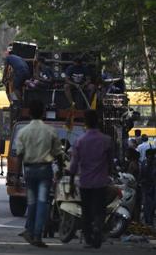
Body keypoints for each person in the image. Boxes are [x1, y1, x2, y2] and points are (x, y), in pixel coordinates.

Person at [15, 99, 62, 248]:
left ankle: (30, 230)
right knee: (42, 202)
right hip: (44, 170)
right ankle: (37, 235)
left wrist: (17, 176)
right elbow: (58, 153)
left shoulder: (23, 132)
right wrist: (59, 170)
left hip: (29, 170)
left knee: (32, 202)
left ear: (29, 113)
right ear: (43, 113)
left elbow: (19, 156)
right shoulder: (50, 131)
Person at [69, 110, 114, 249]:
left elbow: (74, 164)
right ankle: (98, 229)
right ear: (98, 122)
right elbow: (110, 161)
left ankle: (89, 238)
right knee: (100, 210)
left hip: (85, 182)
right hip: (101, 182)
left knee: (86, 211)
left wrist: (71, 180)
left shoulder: (80, 141)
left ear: (85, 123)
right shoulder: (106, 140)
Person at [140, 148, 156, 227]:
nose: (149, 157)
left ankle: (150, 221)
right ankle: (148, 221)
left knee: (152, 204)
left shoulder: (152, 163)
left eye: (151, 156)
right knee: (147, 204)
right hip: (146, 186)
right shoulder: (144, 163)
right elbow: (141, 175)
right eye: (148, 156)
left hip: (152, 186)